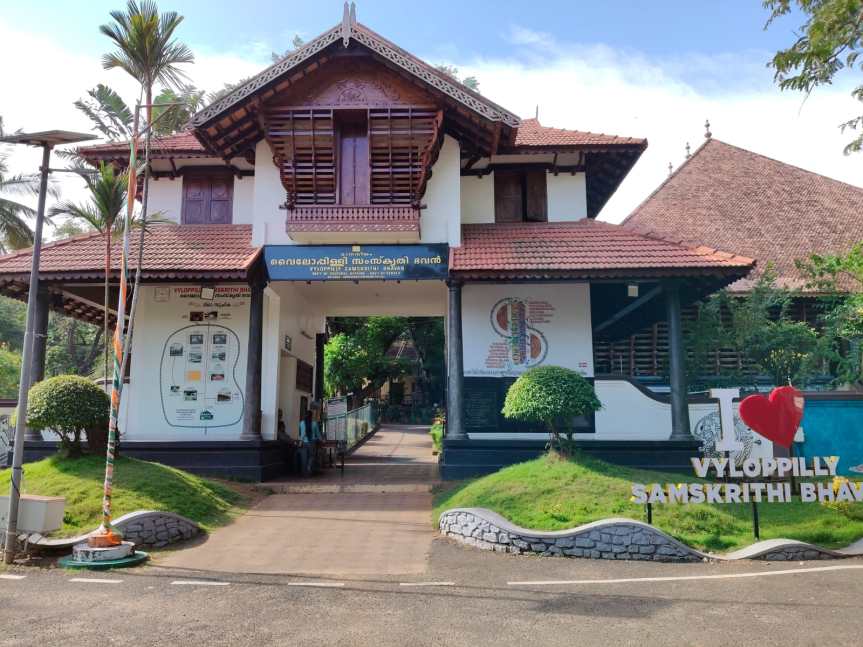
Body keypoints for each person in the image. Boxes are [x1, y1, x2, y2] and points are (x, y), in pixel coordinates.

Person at [298, 404, 321, 476]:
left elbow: (300, 433)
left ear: (305, 416)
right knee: (311, 456)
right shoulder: (314, 423)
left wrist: (301, 441)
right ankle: (309, 468)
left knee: (304, 457)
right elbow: (318, 434)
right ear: (311, 416)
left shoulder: (301, 423)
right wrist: (321, 439)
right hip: (312, 442)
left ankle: (304, 472)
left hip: (304, 442)